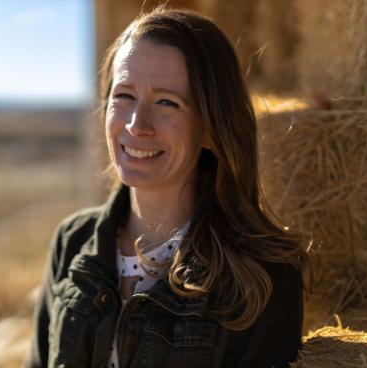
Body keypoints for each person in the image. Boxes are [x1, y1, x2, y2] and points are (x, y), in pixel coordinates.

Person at [24, 7, 308, 368]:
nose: (136, 124)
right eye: (124, 95)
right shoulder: (72, 240)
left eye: (166, 102)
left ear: (210, 126)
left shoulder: (263, 277)